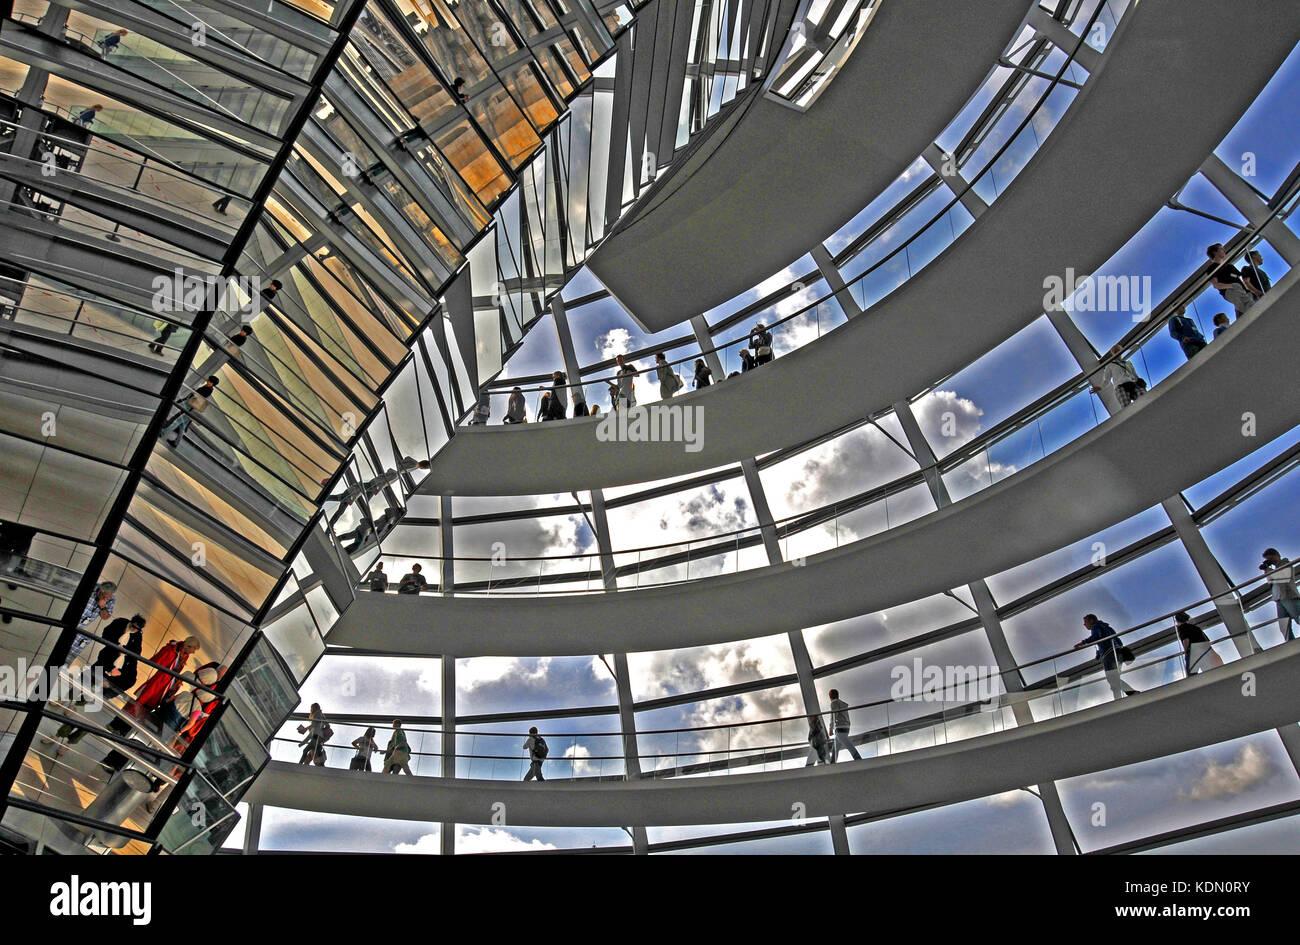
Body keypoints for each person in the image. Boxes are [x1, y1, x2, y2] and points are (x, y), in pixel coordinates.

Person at [1074, 613, 1139, 700]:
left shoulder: (1095, 626)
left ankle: (1129, 694)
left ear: (1091, 620)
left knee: (1111, 678)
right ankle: (1120, 698)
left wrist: (1083, 643)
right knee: (1114, 678)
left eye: (1085, 622)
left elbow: (1096, 637)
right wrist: (1099, 653)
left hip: (1109, 654)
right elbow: (1117, 641)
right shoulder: (1106, 627)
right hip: (1117, 653)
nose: (1084, 624)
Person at [160, 376, 219, 447]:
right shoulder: (208, 388)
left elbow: (197, 396)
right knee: (183, 426)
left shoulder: (208, 389)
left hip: (191, 408)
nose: (207, 380)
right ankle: (176, 443)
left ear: (211, 383)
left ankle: (163, 433)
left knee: (178, 421)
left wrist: (194, 392)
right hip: (192, 408)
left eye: (209, 380)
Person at [66, 581, 116, 664]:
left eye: (110, 595)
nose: (108, 597)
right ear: (101, 590)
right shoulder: (91, 588)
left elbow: (105, 617)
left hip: (80, 627)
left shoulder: (111, 600)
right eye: (106, 595)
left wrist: (102, 606)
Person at [1206, 243, 1261, 318]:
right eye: (1221, 249)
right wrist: (1232, 286)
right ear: (1215, 252)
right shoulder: (1212, 268)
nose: (1224, 250)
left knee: (1245, 309)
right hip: (1231, 291)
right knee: (1250, 308)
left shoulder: (1229, 266)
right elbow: (1216, 285)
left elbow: (1239, 277)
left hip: (1243, 291)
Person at [1260, 548, 1300, 641]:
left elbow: (1281, 577)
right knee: (1284, 626)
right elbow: (1271, 580)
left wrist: (1268, 570)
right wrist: (1266, 570)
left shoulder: (1285, 563)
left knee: (1298, 617)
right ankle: (1291, 644)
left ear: (1276, 555)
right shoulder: (1274, 569)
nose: (1271, 561)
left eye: (1270, 559)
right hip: (1279, 599)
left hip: (1288, 596)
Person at [827, 689, 861, 762]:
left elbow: (833, 716)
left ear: (830, 696)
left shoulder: (834, 703)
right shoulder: (842, 704)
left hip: (840, 727)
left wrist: (830, 729)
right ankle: (832, 764)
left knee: (848, 745)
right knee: (835, 748)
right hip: (846, 727)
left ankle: (859, 760)